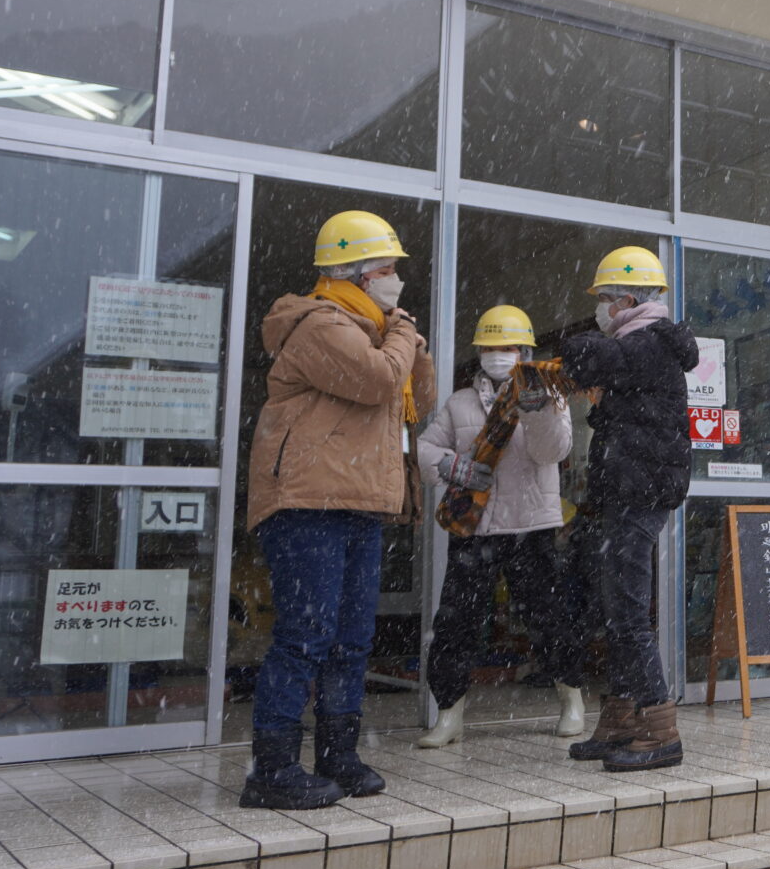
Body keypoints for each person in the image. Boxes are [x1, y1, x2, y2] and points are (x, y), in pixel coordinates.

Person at [241, 210, 434, 810]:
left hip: (359, 502)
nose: (396, 279)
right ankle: (272, 768)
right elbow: (378, 381)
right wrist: (402, 334)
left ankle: (337, 754)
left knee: (351, 639)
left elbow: (416, 399)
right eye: (388, 269)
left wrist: (408, 342)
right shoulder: (319, 324)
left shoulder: (377, 330)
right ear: (356, 273)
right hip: (309, 502)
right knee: (306, 635)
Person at [415, 305, 587, 747]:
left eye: (508, 347)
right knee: (455, 623)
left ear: (525, 352)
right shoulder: (459, 403)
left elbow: (552, 453)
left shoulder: (550, 394)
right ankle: (449, 714)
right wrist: (455, 467)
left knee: (548, 618)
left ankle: (571, 698)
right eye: (491, 347)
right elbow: (425, 450)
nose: (499, 355)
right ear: (479, 353)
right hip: (475, 529)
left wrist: (537, 410)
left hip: (532, 527)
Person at [561, 245, 698, 771]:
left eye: (604, 300)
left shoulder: (648, 344)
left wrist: (569, 347)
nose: (599, 309)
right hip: (628, 493)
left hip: (638, 495)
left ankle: (659, 729)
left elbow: (586, 357)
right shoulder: (646, 346)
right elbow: (621, 411)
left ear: (627, 301)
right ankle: (621, 719)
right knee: (618, 609)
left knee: (628, 613)